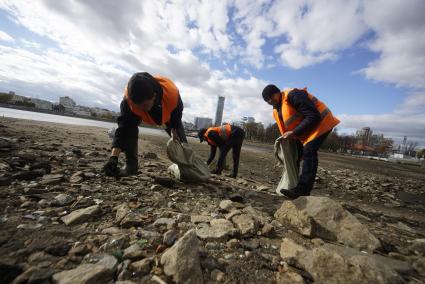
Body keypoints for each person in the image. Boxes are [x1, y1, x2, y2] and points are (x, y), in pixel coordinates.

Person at [262, 84, 340, 198]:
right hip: (305, 130)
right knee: (296, 155)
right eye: (267, 100)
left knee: (309, 151)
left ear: (278, 92)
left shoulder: (294, 95)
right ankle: (293, 185)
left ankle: (303, 190)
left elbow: (314, 115)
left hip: (322, 122)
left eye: (271, 97)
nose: (269, 101)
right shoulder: (276, 109)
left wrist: (295, 132)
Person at [103, 72, 187, 177]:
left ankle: (187, 167)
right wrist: (113, 157)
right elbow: (123, 129)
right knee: (130, 131)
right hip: (143, 113)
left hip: (168, 113)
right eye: (138, 106)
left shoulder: (171, 94)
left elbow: (177, 112)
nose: (142, 109)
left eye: (145, 105)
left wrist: (174, 129)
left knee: (180, 141)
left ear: (154, 96)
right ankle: (131, 166)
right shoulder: (128, 102)